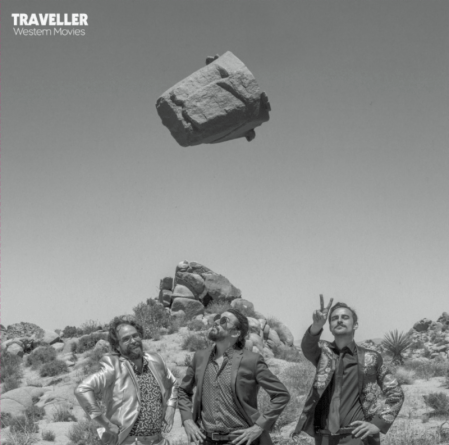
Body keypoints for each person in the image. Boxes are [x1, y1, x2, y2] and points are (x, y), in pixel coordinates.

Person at [292, 296, 404, 445]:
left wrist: (378, 424)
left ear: (355, 325)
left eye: (345, 317)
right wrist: (316, 325)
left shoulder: (371, 358)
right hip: (324, 438)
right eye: (334, 318)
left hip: (358, 437)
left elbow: (395, 392)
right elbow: (308, 347)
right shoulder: (322, 352)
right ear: (330, 327)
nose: (339, 320)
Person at [178, 309, 290, 445]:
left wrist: (259, 426)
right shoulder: (200, 357)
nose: (217, 322)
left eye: (224, 321)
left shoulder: (252, 361)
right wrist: (187, 420)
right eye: (217, 318)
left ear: (236, 333)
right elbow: (183, 391)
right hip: (206, 440)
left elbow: (281, 395)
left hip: (241, 441)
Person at [74, 316, 178, 445]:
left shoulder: (155, 360)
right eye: (126, 339)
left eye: (135, 336)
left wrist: (171, 407)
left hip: (158, 440)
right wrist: (106, 424)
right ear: (117, 346)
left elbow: (173, 383)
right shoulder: (113, 367)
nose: (133, 341)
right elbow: (82, 390)